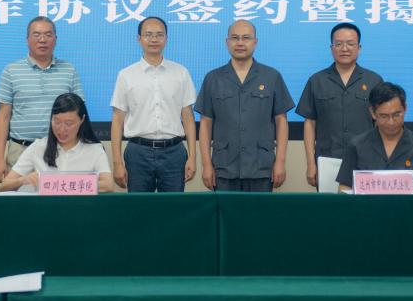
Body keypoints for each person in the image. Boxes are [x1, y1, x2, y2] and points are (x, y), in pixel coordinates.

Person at [195, 20, 294, 192]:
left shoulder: (271, 76)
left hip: (261, 166)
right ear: (227, 42)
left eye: (246, 38)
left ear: (255, 42)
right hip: (224, 167)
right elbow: (205, 123)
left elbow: (281, 121)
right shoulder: (213, 78)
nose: (240, 43)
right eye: (235, 38)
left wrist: (280, 161)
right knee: (225, 211)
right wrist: (206, 164)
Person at [110, 17, 198, 192]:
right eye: (148, 35)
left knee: (174, 206)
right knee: (140, 206)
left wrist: (193, 157)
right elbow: (118, 121)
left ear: (166, 38)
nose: (154, 39)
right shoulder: (126, 75)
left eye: (159, 35)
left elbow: (188, 118)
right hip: (138, 152)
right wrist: (117, 162)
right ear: (139, 39)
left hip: (174, 152)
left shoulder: (181, 73)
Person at [0, 16, 84, 183]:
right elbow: (3, 117)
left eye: (48, 35)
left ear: (55, 39)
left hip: (60, 150)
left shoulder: (69, 70)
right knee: (20, 197)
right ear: (27, 39)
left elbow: (79, 114)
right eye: (36, 35)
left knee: (59, 197)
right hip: (20, 149)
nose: (42, 40)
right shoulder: (11, 71)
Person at [296, 23, 383, 188]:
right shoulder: (317, 80)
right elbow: (310, 123)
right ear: (331, 48)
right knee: (330, 205)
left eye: (350, 44)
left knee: (365, 204)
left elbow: (382, 124)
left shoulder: (374, 81)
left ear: (359, 48)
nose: (345, 49)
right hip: (328, 161)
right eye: (339, 44)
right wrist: (311, 163)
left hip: (365, 160)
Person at [336, 82, 413, 192]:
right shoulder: (356, 146)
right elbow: (344, 187)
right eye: (384, 116)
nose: (391, 122)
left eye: (397, 114)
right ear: (373, 113)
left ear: (405, 109)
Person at [0, 93, 114, 193]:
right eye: (57, 121)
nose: (62, 129)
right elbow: (4, 186)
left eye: (68, 123)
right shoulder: (38, 147)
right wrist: (22, 180)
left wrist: (62, 184)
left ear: (82, 119)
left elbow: (108, 185)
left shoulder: (94, 149)